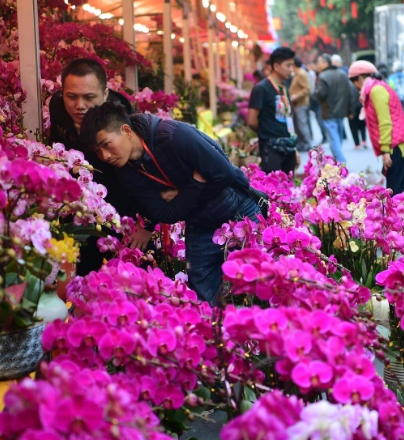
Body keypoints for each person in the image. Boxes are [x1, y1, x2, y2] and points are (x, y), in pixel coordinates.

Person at [79, 102, 261, 305]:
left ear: (126, 130)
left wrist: (182, 196)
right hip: (199, 220)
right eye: (97, 151)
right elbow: (166, 214)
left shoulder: (174, 135)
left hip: (237, 209)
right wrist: (196, 184)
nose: (105, 156)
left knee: (256, 282)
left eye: (106, 144)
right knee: (202, 291)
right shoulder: (125, 172)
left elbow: (224, 174)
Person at [48, 58, 154, 276]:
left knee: (135, 275)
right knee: (83, 274)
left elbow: (150, 173)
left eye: (89, 97)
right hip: (80, 206)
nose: (79, 105)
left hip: (125, 200)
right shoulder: (57, 107)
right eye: (71, 96)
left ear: (105, 95)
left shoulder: (125, 119)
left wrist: (148, 227)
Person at [348, 60, 404, 195]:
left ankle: (402, 217)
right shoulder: (377, 87)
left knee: (396, 192)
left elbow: (384, 122)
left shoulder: (376, 90)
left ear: (360, 78)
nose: (356, 88)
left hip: (395, 146)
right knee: (401, 191)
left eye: (355, 83)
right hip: (398, 143)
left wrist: (384, 150)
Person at [247, 47, 300, 174]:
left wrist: (294, 148)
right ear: (276, 66)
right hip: (271, 149)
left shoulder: (284, 88)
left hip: (289, 146)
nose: (291, 70)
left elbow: (288, 117)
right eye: (288, 65)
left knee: (289, 186)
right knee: (273, 187)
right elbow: (251, 121)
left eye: (292, 65)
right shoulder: (261, 89)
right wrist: (268, 133)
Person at [315, 54, 352, 163]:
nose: (318, 65)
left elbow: (321, 94)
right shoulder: (342, 74)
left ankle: (341, 163)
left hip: (329, 111)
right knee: (337, 138)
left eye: (319, 62)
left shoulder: (323, 76)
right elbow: (350, 93)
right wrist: (351, 109)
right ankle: (340, 161)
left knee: (334, 139)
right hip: (341, 111)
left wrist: (315, 93)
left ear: (325, 63)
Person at [289, 58, 313, 151]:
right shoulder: (297, 73)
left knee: (302, 123)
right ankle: (303, 142)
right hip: (297, 103)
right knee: (299, 124)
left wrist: (296, 96)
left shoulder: (301, 73)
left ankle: (307, 143)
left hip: (301, 103)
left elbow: (307, 88)